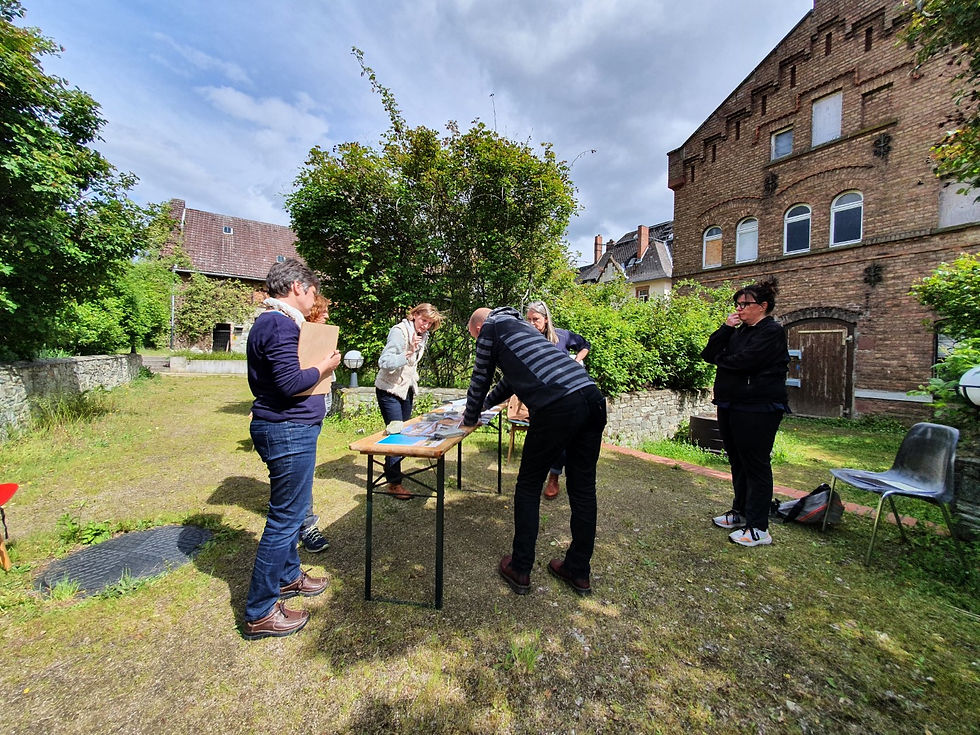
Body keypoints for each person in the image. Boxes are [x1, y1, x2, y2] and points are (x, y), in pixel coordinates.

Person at [463, 307, 606, 597]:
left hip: (558, 404)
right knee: (583, 489)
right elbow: (511, 380)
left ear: (477, 329)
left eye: (475, 339)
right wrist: (486, 405)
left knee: (528, 485)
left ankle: (520, 568)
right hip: (591, 397)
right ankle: (578, 570)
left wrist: (469, 417)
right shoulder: (522, 328)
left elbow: (480, 376)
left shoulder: (490, 327)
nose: (479, 343)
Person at [242, 258, 341, 639]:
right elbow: (288, 384)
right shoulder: (278, 324)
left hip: (290, 428)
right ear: (298, 287)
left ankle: (288, 577)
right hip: (287, 430)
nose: (315, 299)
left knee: (294, 511)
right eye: (313, 291)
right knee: (284, 519)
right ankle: (260, 611)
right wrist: (325, 366)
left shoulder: (277, 322)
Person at [700, 278, 789, 548]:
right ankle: (740, 512)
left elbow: (746, 362)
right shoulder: (738, 331)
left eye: (745, 304)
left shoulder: (771, 331)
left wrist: (722, 361)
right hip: (730, 404)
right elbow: (708, 353)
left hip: (758, 408)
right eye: (737, 304)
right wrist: (726, 328)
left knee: (756, 464)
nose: (739, 308)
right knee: (737, 461)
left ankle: (759, 527)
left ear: (763, 306)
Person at [374, 303, 444, 499]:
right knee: (397, 436)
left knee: (402, 434)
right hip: (389, 390)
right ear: (414, 315)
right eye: (423, 320)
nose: (425, 326)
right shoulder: (399, 332)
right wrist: (408, 353)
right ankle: (394, 484)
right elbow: (384, 362)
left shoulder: (422, 335)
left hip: (406, 390)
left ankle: (392, 475)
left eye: (429, 323)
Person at [524, 300, 591, 500]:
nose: (531, 323)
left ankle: (553, 477)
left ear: (546, 319)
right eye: (528, 319)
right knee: (540, 438)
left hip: (563, 396)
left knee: (562, 437)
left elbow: (585, 345)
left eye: (535, 319)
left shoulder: (561, 336)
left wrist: (577, 361)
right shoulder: (527, 339)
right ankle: (534, 477)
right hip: (539, 397)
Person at [296, 292, 333, 554]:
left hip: (313, 415)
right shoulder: (294, 336)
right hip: (296, 419)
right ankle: (306, 526)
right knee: (300, 476)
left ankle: (302, 520)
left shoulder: (320, 338)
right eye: (323, 310)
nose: (327, 315)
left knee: (303, 474)